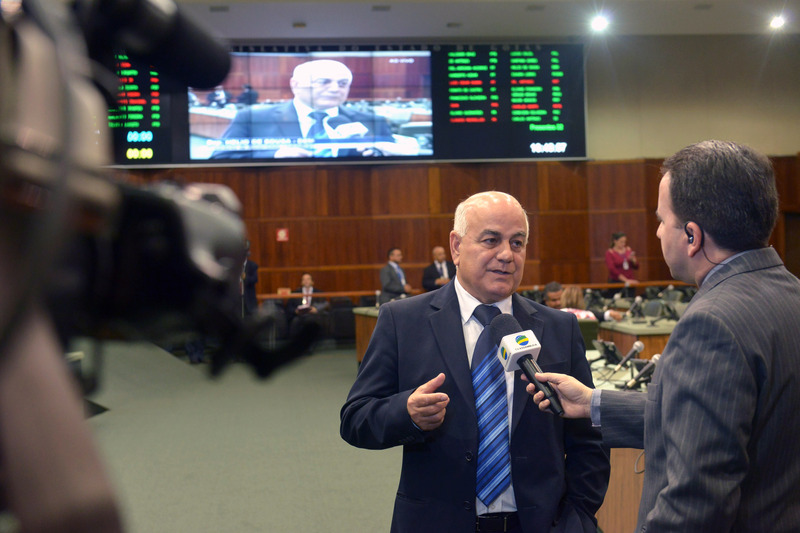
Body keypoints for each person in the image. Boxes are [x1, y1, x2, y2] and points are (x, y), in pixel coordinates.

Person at [528, 140, 800, 532]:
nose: (657, 232)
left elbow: (696, 501)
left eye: (661, 220)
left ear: (692, 236)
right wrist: (593, 403)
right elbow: (720, 419)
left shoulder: (712, 324)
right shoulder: (789, 292)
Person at [341, 191, 609, 533]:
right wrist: (405, 413)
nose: (506, 255)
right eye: (491, 240)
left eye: (517, 243)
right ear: (456, 246)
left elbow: (590, 440)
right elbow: (355, 418)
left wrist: (577, 518)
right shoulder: (403, 320)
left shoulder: (559, 327)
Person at [211, 59, 409, 159]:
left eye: (342, 84)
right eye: (323, 82)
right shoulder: (252, 117)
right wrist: (275, 155)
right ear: (295, 84)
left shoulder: (372, 122)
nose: (335, 89)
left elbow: (393, 168)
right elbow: (221, 157)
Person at [285, 273, 329, 337]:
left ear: (312, 282)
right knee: (295, 322)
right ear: (301, 282)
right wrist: (296, 311)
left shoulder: (319, 293)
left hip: (314, 316)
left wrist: (316, 309)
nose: (306, 281)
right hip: (300, 316)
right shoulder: (295, 293)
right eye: (304, 279)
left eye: (308, 279)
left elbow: (325, 305)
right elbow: (289, 307)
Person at [242, 241, 259, 317]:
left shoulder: (252, 265)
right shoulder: (235, 265)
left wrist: (245, 278)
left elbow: (255, 279)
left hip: (248, 298)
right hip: (238, 299)